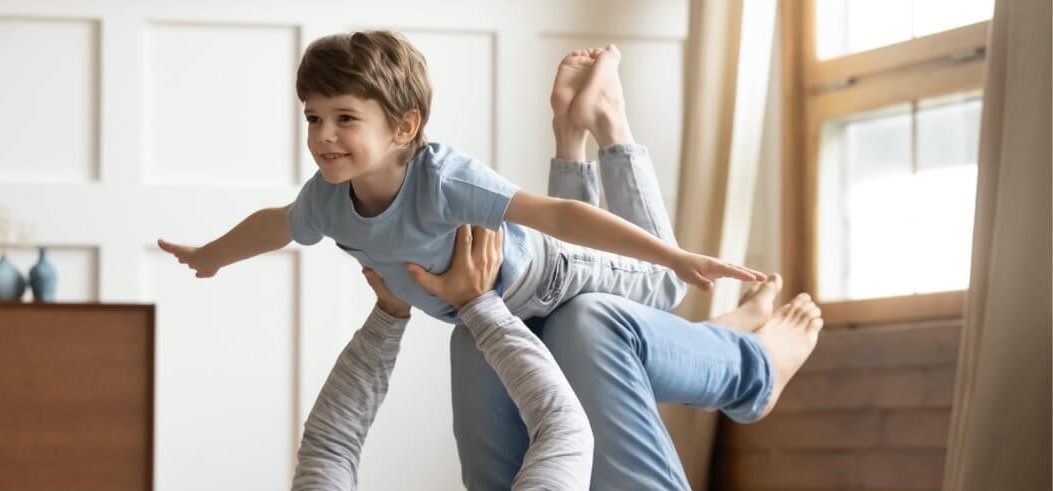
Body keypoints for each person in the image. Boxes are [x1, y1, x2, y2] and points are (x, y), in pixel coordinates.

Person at [212, 49, 823, 491]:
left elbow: (332, 444)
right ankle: (753, 369)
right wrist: (476, 303)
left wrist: (391, 312)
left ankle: (686, 310)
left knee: (488, 332)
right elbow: (565, 431)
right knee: (587, 322)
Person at [157, 33, 765, 326]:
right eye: (314, 117)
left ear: (403, 127)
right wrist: (213, 255)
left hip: (549, 276)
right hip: (503, 308)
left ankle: (609, 124)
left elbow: (556, 216)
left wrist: (676, 255)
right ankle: (572, 128)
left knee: (666, 290)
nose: (322, 135)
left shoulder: (442, 178)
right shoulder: (327, 200)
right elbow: (278, 224)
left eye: (345, 119)